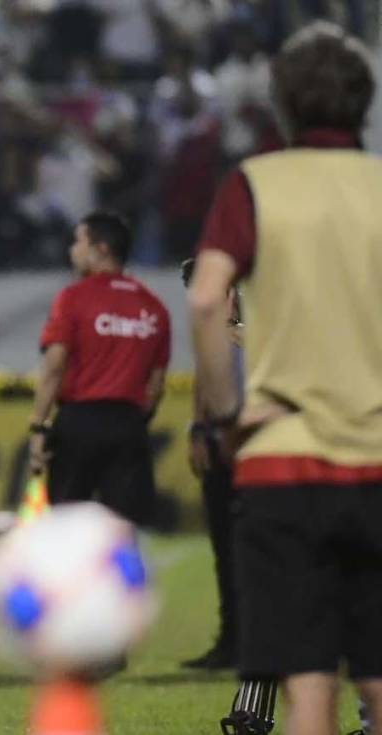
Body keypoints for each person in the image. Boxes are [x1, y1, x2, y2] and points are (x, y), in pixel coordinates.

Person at [189, 21, 382, 735]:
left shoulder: (253, 185)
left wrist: (223, 416)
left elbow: (208, 297)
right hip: (376, 456)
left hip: (284, 460)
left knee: (307, 684)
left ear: (283, 104)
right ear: (364, 102)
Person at [28, 211, 170, 526]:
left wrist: (39, 426)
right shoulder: (154, 307)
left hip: (79, 422)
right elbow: (155, 386)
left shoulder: (73, 298)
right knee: (126, 532)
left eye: (79, 241)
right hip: (129, 424)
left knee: (67, 528)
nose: (72, 251)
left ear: (100, 249)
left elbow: (54, 366)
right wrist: (133, 421)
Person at [180, 257, 241, 670]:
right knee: (224, 547)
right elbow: (205, 380)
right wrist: (198, 429)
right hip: (223, 449)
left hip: (258, 455)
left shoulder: (256, 335)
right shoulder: (214, 337)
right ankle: (232, 639)